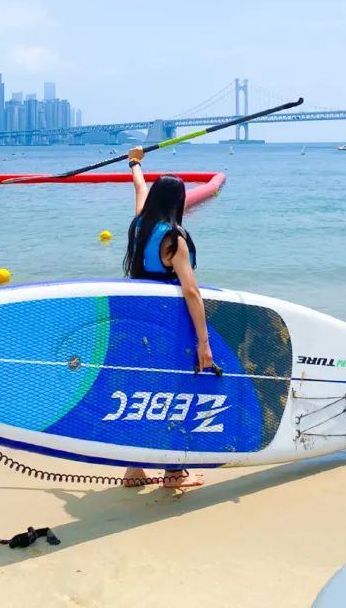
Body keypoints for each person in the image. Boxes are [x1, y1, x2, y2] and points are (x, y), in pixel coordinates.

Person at [121, 146, 213, 489]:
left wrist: (135, 163)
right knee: (173, 393)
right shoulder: (173, 240)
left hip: (136, 318)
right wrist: (204, 342)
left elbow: (139, 188)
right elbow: (191, 292)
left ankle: (134, 470)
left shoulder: (139, 223)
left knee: (143, 391)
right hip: (167, 323)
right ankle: (174, 474)